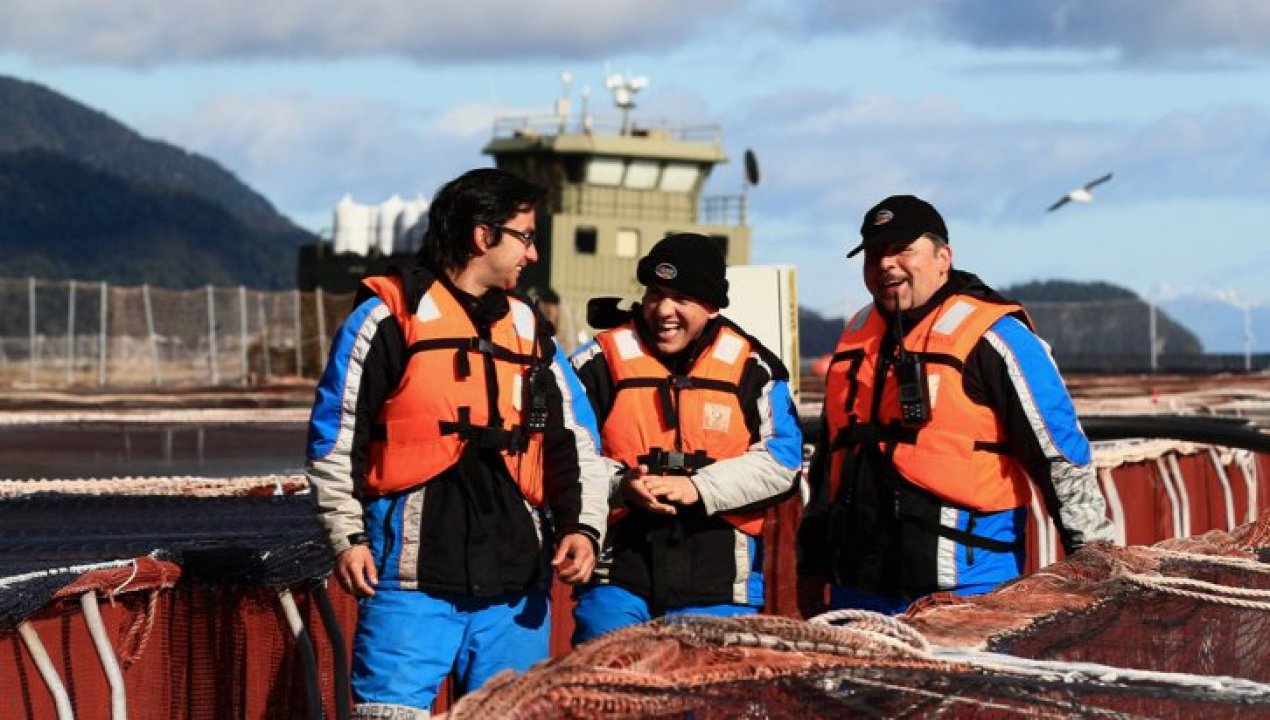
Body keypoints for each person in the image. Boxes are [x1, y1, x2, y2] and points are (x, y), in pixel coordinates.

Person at [305, 168, 610, 718]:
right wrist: (346, 537)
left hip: (516, 592)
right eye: (525, 237)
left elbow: (575, 442)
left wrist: (582, 527)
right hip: (409, 584)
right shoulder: (387, 319)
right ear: (483, 235)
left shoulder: (530, 329)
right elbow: (336, 437)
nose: (533, 254)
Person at [797, 195, 1114, 617]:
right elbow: (829, 464)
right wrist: (811, 566)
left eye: (902, 250)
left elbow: (1060, 454)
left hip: (969, 589)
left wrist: (1095, 564)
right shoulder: (856, 336)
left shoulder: (995, 337)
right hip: (857, 590)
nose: (886, 264)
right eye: (874, 255)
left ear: (943, 258)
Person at [569, 233, 804, 643]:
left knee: (711, 684)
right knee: (607, 680)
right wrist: (622, 485)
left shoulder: (755, 369)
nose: (664, 311)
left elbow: (784, 460)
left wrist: (698, 487)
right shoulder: (595, 364)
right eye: (655, 294)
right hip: (618, 573)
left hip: (719, 582)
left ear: (712, 306)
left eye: (682, 298)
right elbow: (565, 453)